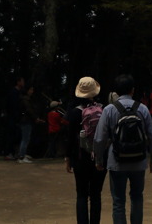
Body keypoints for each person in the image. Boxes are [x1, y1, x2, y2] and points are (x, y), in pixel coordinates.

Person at [94, 73, 152, 224]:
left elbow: (99, 138)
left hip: (116, 161)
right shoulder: (142, 108)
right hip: (139, 161)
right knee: (137, 197)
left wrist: (98, 159)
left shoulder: (109, 109)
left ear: (116, 91)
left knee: (118, 201)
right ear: (132, 90)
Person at [67, 76, 108, 224]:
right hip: (99, 157)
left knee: (82, 195)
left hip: (80, 157)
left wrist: (68, 158)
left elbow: (70, 139)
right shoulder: (104, 110)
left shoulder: (74, 113)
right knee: (96, 195)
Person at [18, 84, 41, 163]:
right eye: (31, 89)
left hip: (27, 120)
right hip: (26, 121)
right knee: (25, 139)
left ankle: (23, 154)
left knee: (26, 138)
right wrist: (35, 118)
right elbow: (29, 110)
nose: (32, 91)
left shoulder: (26, 99)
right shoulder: (25, 99)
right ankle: (21, 156)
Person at [4, 76, 24, 160]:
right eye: (22, 81)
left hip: (17, 117)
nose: (23, 83)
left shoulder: (19, 92)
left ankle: (14, 152)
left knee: (17, 135)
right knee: (11, 135)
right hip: (12, 117)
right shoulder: (13, 92)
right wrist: (15, 116)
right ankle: (9, 153)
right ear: (18, 82)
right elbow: (12, 106)